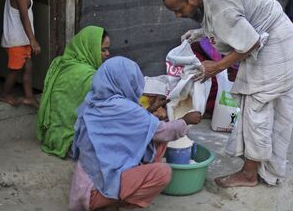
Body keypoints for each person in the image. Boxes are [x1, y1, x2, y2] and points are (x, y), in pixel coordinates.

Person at [162, 0, 293, 188]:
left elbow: (251, 42)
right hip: (270, 41)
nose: (178, 15)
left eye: (179, 9)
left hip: (275, 46)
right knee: (251, 108)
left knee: (256, 110)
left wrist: (217, 67)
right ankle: (259, 166)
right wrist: (201, 33)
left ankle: (249, 174)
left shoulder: (218, 7)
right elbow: (225, 21)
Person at [68, 57, 201, 211]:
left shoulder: (92, 102)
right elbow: (163, 132)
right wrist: (186, 120)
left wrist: (149, 111)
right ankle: (115, 204)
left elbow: (122, 125)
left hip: (83, 188)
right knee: (162, 172)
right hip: (98, 191)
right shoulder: (125, 108)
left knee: (150, 138)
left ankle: (112, 199)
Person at [36, 26, 110, 158]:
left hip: (53, 136)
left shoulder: (63, 63)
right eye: (103, 50)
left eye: (108, 49)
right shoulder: (88, 76)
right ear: (90, 48)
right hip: (70, 141)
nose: (107, 54)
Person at [0, 0, 52, 107]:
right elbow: (24, 18)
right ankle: (4, 94)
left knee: (28, 66)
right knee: (15, 70)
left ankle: (29, 97)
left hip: (22, 41)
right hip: (17, 42)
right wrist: (33, 39)